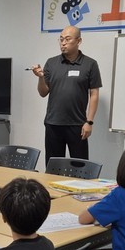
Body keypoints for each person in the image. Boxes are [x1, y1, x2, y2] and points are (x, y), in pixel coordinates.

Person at [31, 25, 102, 165]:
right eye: (61, 39)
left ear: (79, 41)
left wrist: (89, 122)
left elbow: (94, 94)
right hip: (53, 123)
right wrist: (40, 77)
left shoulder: (90, 64)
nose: (63, 43)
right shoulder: (51, 63)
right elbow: (43, 92)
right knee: (53, 167)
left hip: (78, 125)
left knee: (80, 167)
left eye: (67, 39)